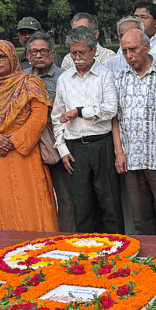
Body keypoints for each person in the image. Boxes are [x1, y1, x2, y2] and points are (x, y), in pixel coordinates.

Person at [0, 40, 58, 232]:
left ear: (12, 57)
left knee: (32, 201)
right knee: (4, 205)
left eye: (1, 56)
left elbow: (39, 116)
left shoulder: (29, 83)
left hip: (25, 154)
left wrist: (13, 141)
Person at [52, 26, 123, 233]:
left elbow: (111, 109)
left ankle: (117, 249)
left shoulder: (104, 75)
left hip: (102, 144)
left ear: (93, 51)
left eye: (81, 52)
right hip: (75, 149)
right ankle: (87, 251)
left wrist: (79, 111)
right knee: (81, 207)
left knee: (109, 204)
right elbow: (57, 117)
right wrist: (62, 149)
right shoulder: (64, 79)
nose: (77, 57)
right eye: (73, 53)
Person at [113, 29, 156, 235]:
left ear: (147, 47)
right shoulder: (119, 77)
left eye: (133, 49)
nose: (128, 56)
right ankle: (147, 262)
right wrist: (119, 152)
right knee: (141, 219)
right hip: (132, 158)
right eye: (124, 51)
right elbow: (114, 118)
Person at [26, 31, 76, 232]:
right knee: (34, 194)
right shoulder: (21, 79)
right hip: (29, 145)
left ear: (53, 53)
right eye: (34, 52)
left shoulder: (65, 77)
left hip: (58, 144)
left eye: (43, 51)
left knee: (65, 196)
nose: (38, 55)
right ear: (27, 55)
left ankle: (66, 235)